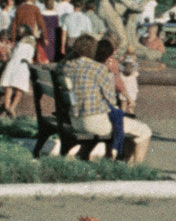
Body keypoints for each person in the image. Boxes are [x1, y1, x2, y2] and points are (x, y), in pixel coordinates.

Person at [61, 35, 150, 163]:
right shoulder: (99, 69)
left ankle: (124, 165)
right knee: (144, 131)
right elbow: (111, 100)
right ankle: (135, 171)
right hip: (94, 123)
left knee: (129, 126)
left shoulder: (67, 66)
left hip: (74, 120)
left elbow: (60, 65)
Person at [0, 24, 37, 118]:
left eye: (21, 30)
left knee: (9, 86)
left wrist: (8, 50)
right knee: (18, 88)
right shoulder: (29, 41)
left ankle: (8, 106)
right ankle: (11, 107)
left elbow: (15, 55)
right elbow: (28, 56)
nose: (19, 32)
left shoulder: (24, 41)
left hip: (15, 63)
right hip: (22, 64)